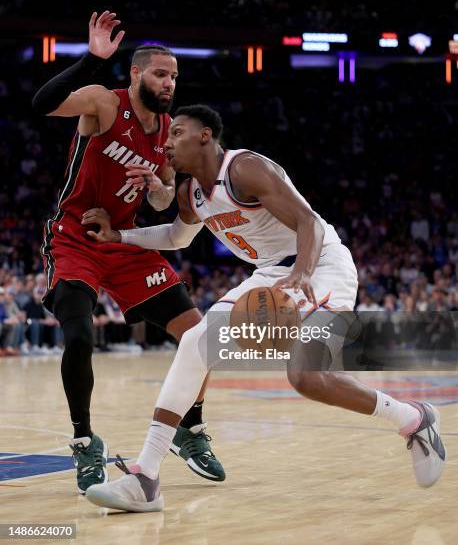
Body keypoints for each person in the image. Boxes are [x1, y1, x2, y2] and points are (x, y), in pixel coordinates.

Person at [83, 104, 446, 512]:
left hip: (321, 264)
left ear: (205, 136)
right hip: (272, 273)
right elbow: (177, 237)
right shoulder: (190, 193)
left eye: (177, 134)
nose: (166, 145)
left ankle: (414, 419)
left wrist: (304, 273)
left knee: (305, 376)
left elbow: (308, 221)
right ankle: (145, 476)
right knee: (196, 343)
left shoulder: (246, 169)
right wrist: (121, 236)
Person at [31, 14, 225, 494]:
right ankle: (84, 440)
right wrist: (90, 61)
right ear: (136, 74)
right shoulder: (103, 102)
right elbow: (42, 103)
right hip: (76, 236)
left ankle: (189, 428)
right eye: (161, 74)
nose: (169, 83)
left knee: (199, 334)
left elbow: (161, 202)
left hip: (122, 241)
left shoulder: (167, 131)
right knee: (79, 336)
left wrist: (158, 186)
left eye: (175, 76)